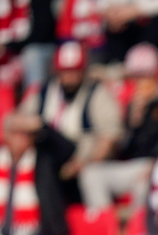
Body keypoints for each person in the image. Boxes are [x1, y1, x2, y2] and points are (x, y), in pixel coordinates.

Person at [80, 42, 158, 209]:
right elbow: (123, 149)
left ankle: (137, 232)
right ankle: (107, 228)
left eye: (144, 76)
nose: (139, 82)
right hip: (131, 166)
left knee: (145, 184)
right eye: (135, 77)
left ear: (156, 74)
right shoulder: (131, 104)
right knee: (90, 174)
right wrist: (133, 121)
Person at [19, 40, 122, 203]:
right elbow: (20, 117)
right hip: (48, 155)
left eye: (74, 72)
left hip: (80, 154)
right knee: (42, 155)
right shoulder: (45, 92)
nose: (68, 78)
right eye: (64, 72)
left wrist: (84, 163)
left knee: (44, 142)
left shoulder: (96, 93)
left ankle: (55, 227)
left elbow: (109, 136)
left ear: (83, 71)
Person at [0, 113, 75, 235]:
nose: (20, 138)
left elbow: (68, 149)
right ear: (6, 135)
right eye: (15, 133)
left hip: (32, 232)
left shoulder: (43, 160)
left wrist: (41, 125)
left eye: (25, 134)